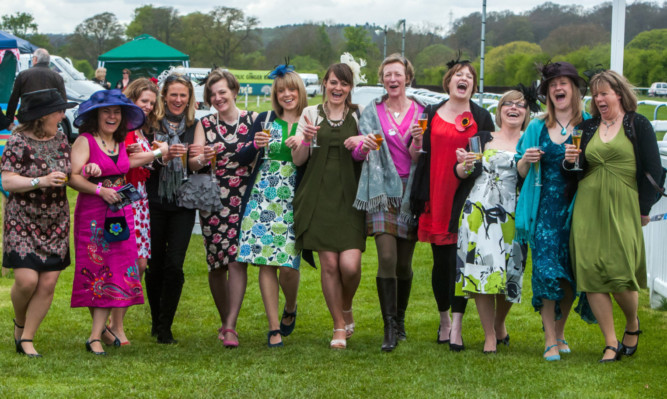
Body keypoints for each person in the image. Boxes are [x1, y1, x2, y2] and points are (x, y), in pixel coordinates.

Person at [563, 70, 663, 362]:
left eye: (604, 93)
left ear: (618, 93)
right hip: (588, 205)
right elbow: (574, 169)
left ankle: (632, 323)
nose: (599, 99)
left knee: (621, 272)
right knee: (591, 272)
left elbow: (654, 170)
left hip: (624, 204)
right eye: (595, 94)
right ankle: (610, 342)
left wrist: (644, 208)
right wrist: (569, 162)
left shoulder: (637, 123)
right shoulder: (588, 126)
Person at [410, 56, 494, 351]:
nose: (463, 79)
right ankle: (444, 319)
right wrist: (416, 141)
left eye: (469, 76)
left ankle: (457, 326)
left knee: (462, 263)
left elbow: (489, 158)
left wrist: (475, 160)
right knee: (442, 263)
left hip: (468, 197)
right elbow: (417, 155)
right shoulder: (430, 113)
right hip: (436, 195)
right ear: (449, 82)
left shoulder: (482, 117)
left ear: (473, 84)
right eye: (458, 74)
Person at [514, 61, 593, 362]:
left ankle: (561, 331)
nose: (558, 88)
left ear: (574, 89)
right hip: (544, 211)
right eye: (552, 84)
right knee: (546, 274)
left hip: (577, 211)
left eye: (564, 83)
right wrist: (528, 160)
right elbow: (520, 171)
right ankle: (549, 339)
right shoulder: (536, 127)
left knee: (571, 277)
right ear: (547, 92)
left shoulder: (588, 124)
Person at [453, 89, 536, 353]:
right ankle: (489, 335)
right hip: (480, 212)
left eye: (520, 105)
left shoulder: (530, 140)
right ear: (499, 110)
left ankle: (500, 323)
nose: (514, 108)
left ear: (526, 113)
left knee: (511, 272)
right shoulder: (482, 138)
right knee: (483, 273)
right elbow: (462, 172)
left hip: (515, 213)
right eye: (508, 104)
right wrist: (463, 164)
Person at [292, 59, 366, 350]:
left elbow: (367, 153)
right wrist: (305, 141)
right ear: (325, 83)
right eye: (333, 82)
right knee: (330, 265)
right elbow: (299, 160)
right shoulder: (310, 113)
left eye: (344, 83)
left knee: (350, 265)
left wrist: (361, 141)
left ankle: (346, 305)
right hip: (318, 196)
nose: (338, 88)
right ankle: (338, 324)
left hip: (350, 197)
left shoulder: (358, 115)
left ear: (350, 87)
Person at [353, 54, 425, 351]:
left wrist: (418, 142)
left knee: (405, 264)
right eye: (387, 75)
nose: (392, 79)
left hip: (410, 191)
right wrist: (361, 146)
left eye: (397, 74)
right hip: (381, 189)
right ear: (382, 79)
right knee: (386, 258)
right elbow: (359, 154)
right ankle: (389, 327)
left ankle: (401, 319)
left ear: (407, 77)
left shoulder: (422, 111)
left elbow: (418, 157)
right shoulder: (371, 111)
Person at [68, 89, 148, 355]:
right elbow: (74, 177)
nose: (112, 116)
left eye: (117, 112)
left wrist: (160, 154)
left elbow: (125, 164)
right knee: (97, 270)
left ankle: (100, 331)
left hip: (121, 213)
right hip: (93, 215)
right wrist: (99, 189)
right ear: (96, 115)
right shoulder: (85, 141)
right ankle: (94, 336)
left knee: (118, 268)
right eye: (106, 111)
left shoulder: (119, 142)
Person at [2, 88, 76, 357]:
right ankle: (19, 323)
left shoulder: (60, 137)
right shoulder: (17, 141)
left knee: (46, 284)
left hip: (55, 219)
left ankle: (27, 338)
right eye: (58, 110)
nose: (62, 114)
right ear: (43, 115)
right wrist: (40, 181)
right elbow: (7, 180)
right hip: (22, 217)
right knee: (25, 281)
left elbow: (71, 169)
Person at [236, 64, 306, 347]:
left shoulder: (310, 119)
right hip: (263, 193)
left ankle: (291, 306)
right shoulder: (265, 118)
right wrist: (254, 144)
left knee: (288, 265)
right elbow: (242, 157)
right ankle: (274, 326)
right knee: (266, 262)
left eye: (290, 89)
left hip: (294, 194)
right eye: (280, 91)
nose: (286, 95)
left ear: (299, 91)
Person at [189, 69, 257, 348]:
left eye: (222, 92)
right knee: (216, 263)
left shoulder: (254, 120)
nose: (218, 98)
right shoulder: (204, 124)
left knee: (237, 258)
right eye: (212, 94)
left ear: (234, 92)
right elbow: (192, 165)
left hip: (244, 195)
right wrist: (201, 158)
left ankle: (230, 325)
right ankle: (225, 319)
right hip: (213, 197)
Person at [102, 78, 167, 345]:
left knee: (139, 264)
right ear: (131, 100)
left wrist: (152, 151)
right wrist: (157, 153)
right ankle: (114, 326)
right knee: (129, 263)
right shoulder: (124, 129)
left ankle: (114, 324)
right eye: (144, 102)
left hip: (139, 201)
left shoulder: (139, 129)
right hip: (124, 199)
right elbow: (123, 161)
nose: (149, 107)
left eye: (152, 103)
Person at [144, 73, 198, 344]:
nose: (178, 100)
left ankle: (166, 326)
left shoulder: (194, 125)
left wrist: (196, 158)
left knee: (174, 265)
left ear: (189, 99)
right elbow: (140, 161)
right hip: (153, 200)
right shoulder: (150, 124)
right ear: (164, 96)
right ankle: (156, 319)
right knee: (154, 265)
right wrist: (161, 157)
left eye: (183, 95)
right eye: (173, 94)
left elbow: (200, 164)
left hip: (183, 203)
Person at [6, 48, 66, 125]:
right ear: (48, 62)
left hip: (27, 118)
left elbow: (14, 99)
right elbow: (63, 100)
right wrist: (59, 117)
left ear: (35, 59)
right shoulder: (57, 77)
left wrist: (9, 120)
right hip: (48, 119)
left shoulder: (23, 75)